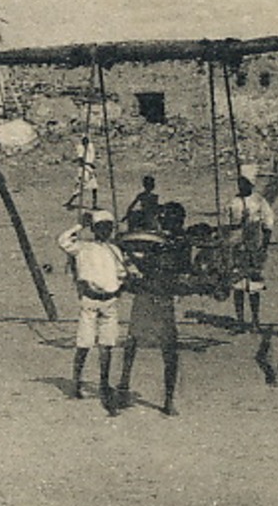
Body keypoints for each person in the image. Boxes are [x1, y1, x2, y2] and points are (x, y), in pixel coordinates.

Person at [115, 202, 188, 417]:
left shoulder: (174, 243)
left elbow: (160, 267)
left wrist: (133, 254)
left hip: (155, 298)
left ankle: (164, 397)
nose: (164, 222)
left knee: (162, 348)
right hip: (153, 297)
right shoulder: (162, 241)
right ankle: (128, 387)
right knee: (139, 344)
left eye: (168, 220)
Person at [57, 208, 128, 414]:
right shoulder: (82, 247)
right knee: (84, 343)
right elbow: (62, 240)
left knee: (107, 345)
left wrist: (117, 287)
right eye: (101, 227)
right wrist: (80, 225)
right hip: (90, 302)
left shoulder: (115, 250)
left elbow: (121, 272)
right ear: (94, 229)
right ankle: (76, 381)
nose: (105, 231)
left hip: (109, 303)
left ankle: (104, 383)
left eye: (108, 227)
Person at [225, 171, 275, 331]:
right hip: (237, 244)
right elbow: (227, 224)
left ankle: (255, 321)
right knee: (238, 284)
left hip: (253, 245)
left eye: (245, 182)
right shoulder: (233, 201)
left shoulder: (259, 201)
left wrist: (263, 247)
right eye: (239, 182)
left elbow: (268, 223)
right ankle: (240, 320)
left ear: (251, 184)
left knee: (253, 285)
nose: (241, 185)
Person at [65, 135, 99, 210]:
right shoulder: (81, 149)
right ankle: (70, 201)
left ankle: (94, 205)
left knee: (94, 187)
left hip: (89, 169)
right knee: (82, 187)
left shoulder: (90, 148)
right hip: (84, 170)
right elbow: (81, 160)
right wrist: (89, 165)